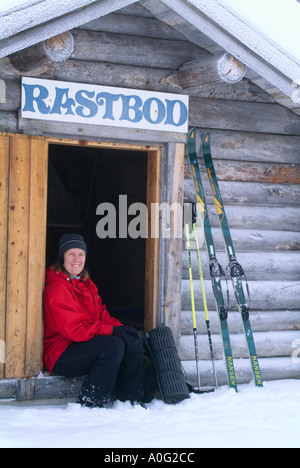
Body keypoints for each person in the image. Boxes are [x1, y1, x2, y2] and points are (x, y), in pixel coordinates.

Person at [43, 233, 145, 408]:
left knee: (127, 340)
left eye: (81, 254)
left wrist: (122, 329)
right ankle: (91, 402)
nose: (77, 259)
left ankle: (131, 399)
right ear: (62, 257)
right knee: (112, 345)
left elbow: (101, 315)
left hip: (80, 346)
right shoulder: (56, 288)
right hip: (60, 353)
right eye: (71, 254)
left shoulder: (86, 284)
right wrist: (112, 331)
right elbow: (74, 329)